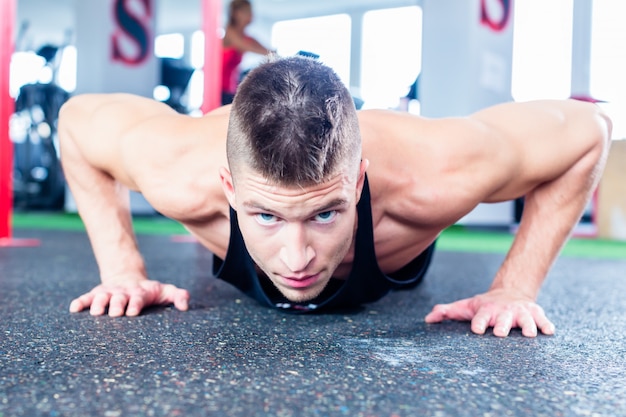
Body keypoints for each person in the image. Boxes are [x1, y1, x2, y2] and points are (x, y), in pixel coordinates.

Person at [59, 55, 612, 338]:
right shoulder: (176, 167)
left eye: (325, 213)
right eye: (267, 215)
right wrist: (121, 269)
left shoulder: (437, 171)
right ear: (229, 188)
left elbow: (589, 131)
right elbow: (76, 122)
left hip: (394, 234)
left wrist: (514, 287)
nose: (298, 258)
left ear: (358, 182)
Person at [221, 0, 272, 105]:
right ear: (237, 13)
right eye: (247, 12)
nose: (251, 15)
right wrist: (270, 54)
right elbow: (244, 46)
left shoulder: (246, 37)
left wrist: (274, 53)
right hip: (220, 91)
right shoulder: (230, 32)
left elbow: (263, 48)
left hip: (231, 90)